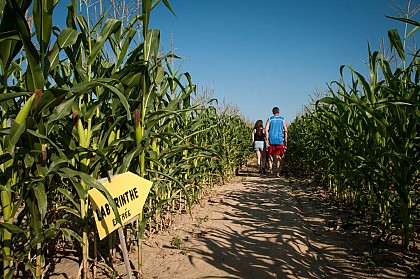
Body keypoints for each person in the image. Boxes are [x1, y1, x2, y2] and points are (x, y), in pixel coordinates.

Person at [265, 107, 288, 177]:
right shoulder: (282, 119)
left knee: (270, 155)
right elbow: (286, 130)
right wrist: (286, 139)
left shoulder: (270, 119)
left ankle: (271, 170)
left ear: (273, 112)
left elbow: (266, 129)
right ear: (279, 112)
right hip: (280, 140)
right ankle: (278, 172)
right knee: (279, 156)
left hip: (271, 139)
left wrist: (267, 139)